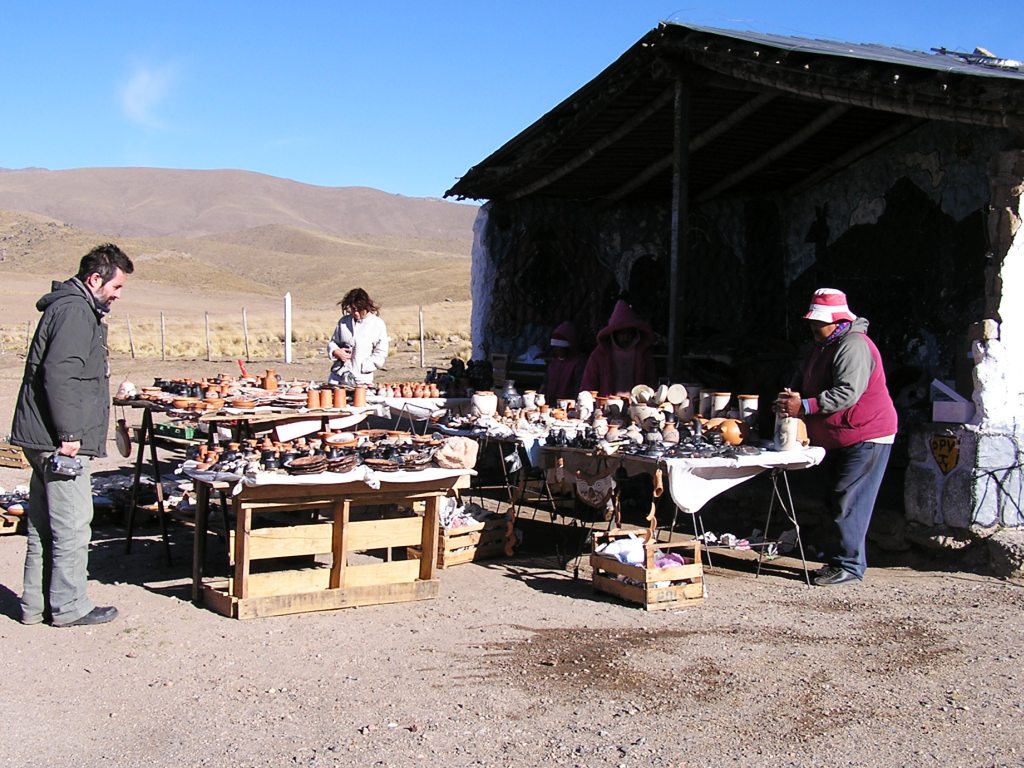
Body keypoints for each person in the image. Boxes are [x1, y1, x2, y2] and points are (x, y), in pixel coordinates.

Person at [11, 243, 134, 626]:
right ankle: (69, 607)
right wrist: (69, 434)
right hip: (58, 441)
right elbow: (61, 375)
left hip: (40, 436)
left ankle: (35, 606)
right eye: (116, 286)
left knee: (43, 525)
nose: (118, 295)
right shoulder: (76, 312)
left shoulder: (68, 307)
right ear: (95, 279)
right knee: (72, 524)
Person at [775, 288, 897, 587]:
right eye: (813, 322)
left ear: (838, 321)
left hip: (866, 433)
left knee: (849, 500)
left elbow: (847, 392)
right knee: (837, 497)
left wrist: (804, 406)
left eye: (820, 323)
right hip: (841, 436)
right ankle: (841, 559)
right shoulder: (823, 345)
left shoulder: (853, 346)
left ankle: (850, 565)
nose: (814, 327)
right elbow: (803, 379)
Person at [580, 299, 656, 396]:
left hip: (638, 403)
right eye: (622, 333)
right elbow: (588, 384)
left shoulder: (643, 354)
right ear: (614, 333)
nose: (626, 337)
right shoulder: (600, 354)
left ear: (634, 332)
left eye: (629, 332)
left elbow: (651, 384)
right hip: (607, 403)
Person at [327, 288, 389, 385]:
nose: (356, 313)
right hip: (338, 377)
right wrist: (336, 351)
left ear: (366, 306)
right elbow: (333, 342)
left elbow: (381, 352)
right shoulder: (343, 322)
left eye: (359, 310)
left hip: (361, 379)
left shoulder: (377, 324)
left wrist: (364, 366)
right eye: (353, 309)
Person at [542, 320, 587, 402]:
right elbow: (545, 385)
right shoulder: (553, 364)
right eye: (555, 347)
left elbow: (578, 387)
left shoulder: (578, 364)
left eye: (559, 347)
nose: (556, 350)